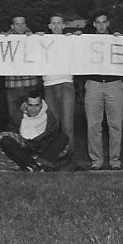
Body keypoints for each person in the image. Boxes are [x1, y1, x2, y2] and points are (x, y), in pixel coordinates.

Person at [0, 91, 68, 172]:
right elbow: (12, 133)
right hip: (24, 148)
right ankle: (34, 165)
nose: (33, 109)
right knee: (5, 140)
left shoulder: (49, 117)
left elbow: (52, 135)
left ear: (41, 105)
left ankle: (38, 164)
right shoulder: (18, 115)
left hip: (42, 149)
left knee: (63, 137)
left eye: (36, 105)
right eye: (30, 105)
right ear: (25, 105)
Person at [84, 11, 123, 170]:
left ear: (108, 23)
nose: (101, 25)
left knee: (116, 125)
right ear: (94, 24)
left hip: (114, 84)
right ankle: (97, 160)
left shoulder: (117, 39)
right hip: (93, 84)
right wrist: (75, 38)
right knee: (93, 125)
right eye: (98, 22)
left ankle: (115, 161)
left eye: (104, 22)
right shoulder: (86, 41)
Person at [42, 14, 76, 154]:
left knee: (67, 124)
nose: (56, 26)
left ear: (63, 26)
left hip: (66, 83)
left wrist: (78, 36)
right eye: (53, 23)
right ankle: (54, 156)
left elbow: (84, 47)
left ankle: (70, 157)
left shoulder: (70, 40)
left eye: (59, 23)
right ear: (49, 26)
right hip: (49, 84)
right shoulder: (42, 39)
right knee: (53, 125)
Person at [3, 16, 40, 123]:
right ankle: (15, 139)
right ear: (12, 26)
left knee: (32, 117)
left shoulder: (34, 38)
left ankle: (31, 138)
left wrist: (39, 37)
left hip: (29, 82)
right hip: (12, 84)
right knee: (13, 117)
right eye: (17, 24)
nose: (20, 26)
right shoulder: (5, 38)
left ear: (26, 25)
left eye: (22, 23)